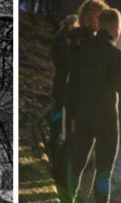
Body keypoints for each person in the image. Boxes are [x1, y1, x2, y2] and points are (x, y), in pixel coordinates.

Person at [70, 8, 121, 203]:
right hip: (106, 118)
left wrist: (72, 114)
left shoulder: (84, 50)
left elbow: (74, 84)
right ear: (116, 28)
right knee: (105, 167)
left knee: (78, 161)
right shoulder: (115, 54)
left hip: (83, 113)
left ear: (99, 25)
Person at [54, 0, 108, 193]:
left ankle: (61, 183)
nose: (100, 20)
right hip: (76, 97)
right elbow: (78, 71)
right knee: (73, 142)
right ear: (87, 16)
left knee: (73, 141)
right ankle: (61, 184)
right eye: (97, 16)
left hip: (79, 97)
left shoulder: (87, 37)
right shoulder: (80, 37)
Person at [48, 15, 79, 157]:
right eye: (75, 25)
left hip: (64, 86)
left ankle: (56, 148)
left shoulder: (66, 41)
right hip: (62, 86)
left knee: (60, 116)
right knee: (58, 117)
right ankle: (53, 148)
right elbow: (65, 62)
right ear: (70, 25)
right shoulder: (62, 41)